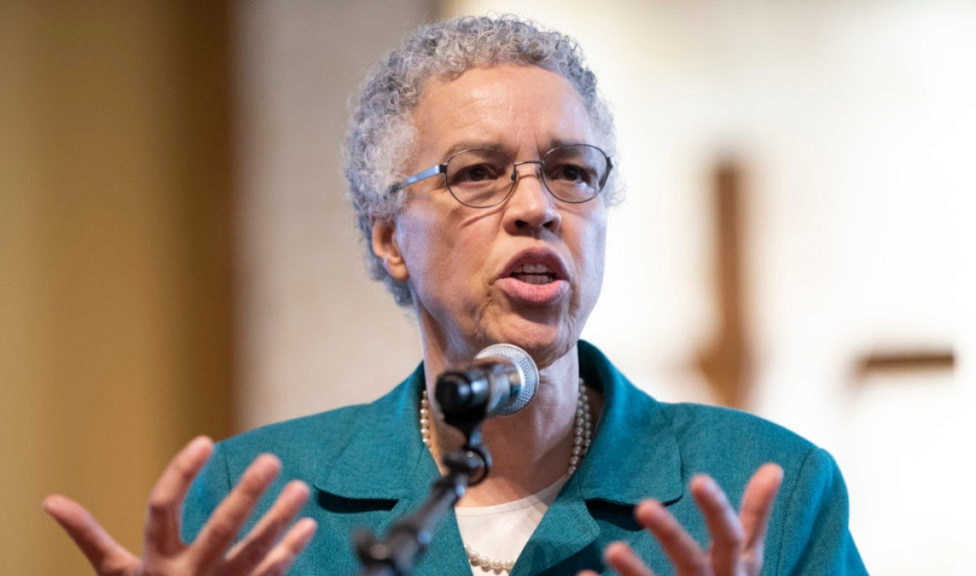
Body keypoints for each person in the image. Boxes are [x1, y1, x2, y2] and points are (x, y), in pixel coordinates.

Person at [44, 15, 868, 576]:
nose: (537, 206)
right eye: (478, 173)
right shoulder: (258, 502)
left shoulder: (767, 490)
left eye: (570, 171)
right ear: (388, 237)